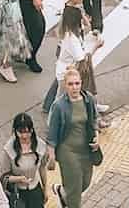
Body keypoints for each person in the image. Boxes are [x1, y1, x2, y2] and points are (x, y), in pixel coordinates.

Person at [46, 68, 99, 208]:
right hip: (67, 151)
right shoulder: (59, 106)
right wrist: (51, 156)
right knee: (75, 191)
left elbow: (94, 121)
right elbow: (52, 133)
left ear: (81, 83)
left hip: (86, 150)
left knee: (85, 183)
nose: (74, 87)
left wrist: (97, 138)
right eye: (70, 84)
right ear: (65, 85)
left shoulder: (89, 100)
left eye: (77, 83)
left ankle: (62, 192)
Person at [0, 113, 48, 208]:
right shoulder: (9, 149)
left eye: (28, 132)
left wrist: (45, 189)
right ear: (15, 131)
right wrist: (19, 179)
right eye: (21, 132)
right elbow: (4, 177)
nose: (25, 136)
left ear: (32, 130)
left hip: (35, 190)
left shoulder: (40, 145)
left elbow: (42, 168)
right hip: (18, 193)